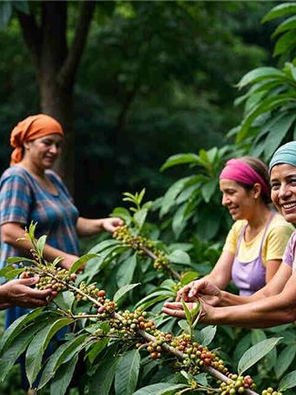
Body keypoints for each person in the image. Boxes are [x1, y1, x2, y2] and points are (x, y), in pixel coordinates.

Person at [0, 113, 124, 328]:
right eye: (47, 143)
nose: (54, 151)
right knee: (43, 354)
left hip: (64, 283)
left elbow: (70, 222)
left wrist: (102, 223)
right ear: (28, 142)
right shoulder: (17, 177)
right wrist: (65, 258)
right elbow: (10, 232)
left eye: (58, 145)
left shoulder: (52, 178)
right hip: (36, 285)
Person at [162, 141, 296, 328]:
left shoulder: (279, 228)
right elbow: (268, 296)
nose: (282, 193)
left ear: (256, 191)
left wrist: (214, 314)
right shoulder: (293, 239)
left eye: (293, 181)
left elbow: (287, 307)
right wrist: (218, 296)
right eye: (275, 185)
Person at [182, 157, 292, 296]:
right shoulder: (239, 227)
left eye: (230, 192)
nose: (224, 201)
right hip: (241, 314)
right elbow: (218, 277)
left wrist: (223, 305)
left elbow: (272, 296)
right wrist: (192, 289)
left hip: (261, 315)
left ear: (255, 191)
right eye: (223, 193)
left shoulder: (278, 229)